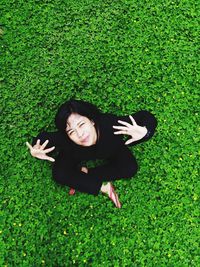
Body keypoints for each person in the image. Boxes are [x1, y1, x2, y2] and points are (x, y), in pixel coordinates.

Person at [26, 99, 157, 208]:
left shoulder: (111, 125)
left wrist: (145, 132)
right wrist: (36, 147)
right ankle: (104, 187)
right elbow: (44, 138)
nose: (79, 134)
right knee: (59, 174)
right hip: (76, 153)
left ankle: (86, 174)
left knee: (130, 168)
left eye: (81, 124)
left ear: (92, 121)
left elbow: (146, 117)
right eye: (71, 131)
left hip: (111, 149)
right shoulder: (68, 140)